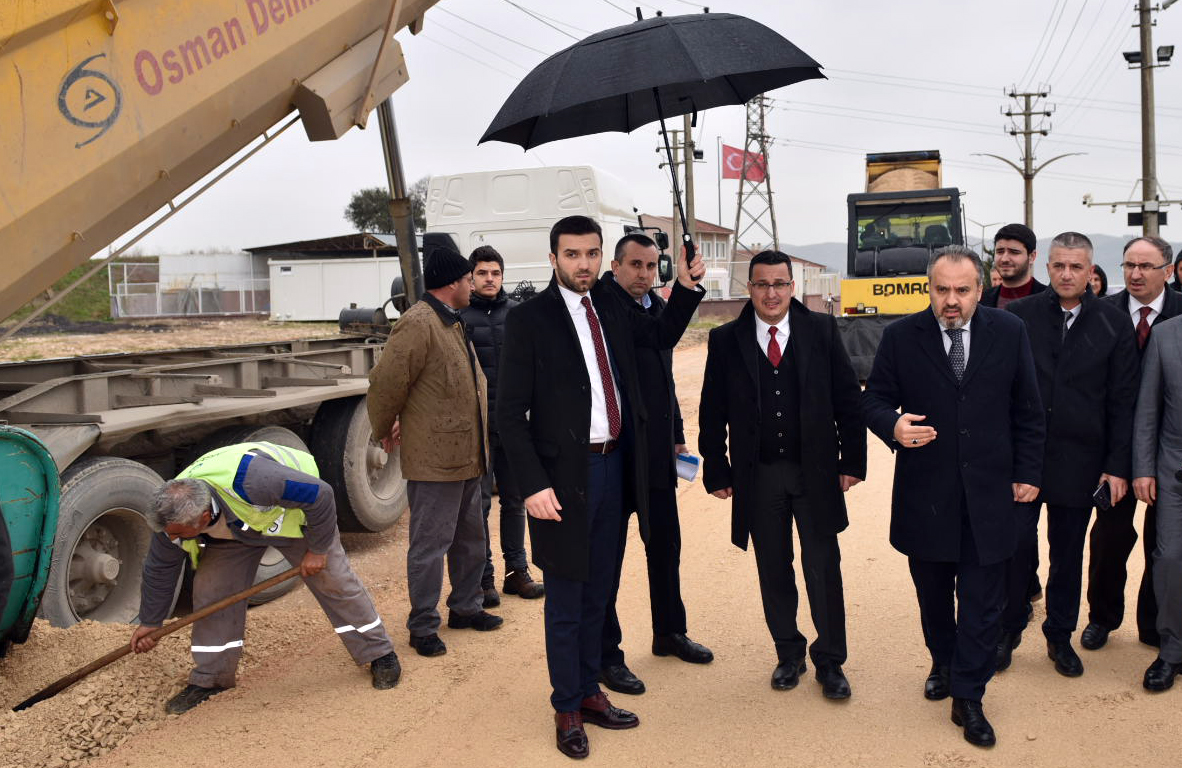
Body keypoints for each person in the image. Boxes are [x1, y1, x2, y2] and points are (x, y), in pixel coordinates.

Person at [496, 215, 704, 759]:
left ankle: (589, 690)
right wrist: (532, 486)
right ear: (553, 259)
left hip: (614, 468)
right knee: (567, 598)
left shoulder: (610, 307)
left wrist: (685, 287)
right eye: (572, 255)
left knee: (599, 592)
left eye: (591, 253)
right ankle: (567, 706)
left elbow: (659, 337)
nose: (583, 264)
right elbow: (508, 414)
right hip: (562, 480)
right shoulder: (529, 320)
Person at [863, 245, 1044, 748]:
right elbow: (874, 399)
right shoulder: (901, 337)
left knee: (983, 604)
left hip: (992, 495)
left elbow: (1029, 411)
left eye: (962, 290)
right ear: (929, 288)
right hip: (927, 496)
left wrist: (1029, 473)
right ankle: (943, 663)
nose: (951, 300)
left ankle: (969, 696)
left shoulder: (1010, 331)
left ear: (980, 290)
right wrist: (893, 425)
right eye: (941, 289)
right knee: (935, 599)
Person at [699, 250, 865, 699]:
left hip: (815, 472)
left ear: (792, 287)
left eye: (779, 284)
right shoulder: (726, 340)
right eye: (762, 284)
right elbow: (712, 411)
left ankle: (830, 660)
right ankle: (788, 653)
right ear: (749, 288)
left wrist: (852, 462)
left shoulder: (821, 330)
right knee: (773, 567)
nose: (771, 293)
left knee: (823, 567)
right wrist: (716, 467)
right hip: (760, 475)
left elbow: (848, 400)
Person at [130, 441, 401, 714]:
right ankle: (211, 678)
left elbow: (321, 494)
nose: (172, 538)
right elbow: (159, 569)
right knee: (212, 594)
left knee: (334, 581)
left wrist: (318, 550)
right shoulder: (170, 518)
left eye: (178, 533)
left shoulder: (255, 481)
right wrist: (151, 622)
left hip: (293, 521)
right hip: (234, 535)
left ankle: (379, 653)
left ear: (203, 517)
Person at [1003, 232, 1139, 679]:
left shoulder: (1114, 324)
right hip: (1023, 459)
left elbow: (1123, 401)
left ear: (1090, 271)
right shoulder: (1018, 317)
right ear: (1047, 267)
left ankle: (1059, 636)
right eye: (1059, 265)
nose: (1066, 274)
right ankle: (1007, 631)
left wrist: (1116, 466)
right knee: (1014, 547)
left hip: (1081, 462)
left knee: (1067, 554)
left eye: (1076, 267)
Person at [367, 247, 500, 660]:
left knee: (471, 539)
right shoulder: (419, 323)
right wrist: (382, 428)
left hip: (468, 454)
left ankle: (466, 607)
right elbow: (387, 384)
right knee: (430, 546)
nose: (473, 285)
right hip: (435, 459)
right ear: (452, 283)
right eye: (468, 279)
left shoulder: (452, 320)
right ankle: (423, 626)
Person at [597, 234, 713, 698]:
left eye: (650, 266)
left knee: (665, 544)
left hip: (656, 449)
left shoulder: (654, 305)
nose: (644, 274)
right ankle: (607, 654)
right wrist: (686, 287)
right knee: (607, 558)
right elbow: (659, 337)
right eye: (635, 265)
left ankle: (669, 632)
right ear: (615, 266)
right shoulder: (605, 305)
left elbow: (664, 377)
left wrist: (677, 432)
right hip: (616, 452)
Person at [1084, 236, 1182, 651]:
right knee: (1109, 536)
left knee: (1165, 543)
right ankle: (1102, 618)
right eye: (1129, 265)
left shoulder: (1180, 314)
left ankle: (1154, 622)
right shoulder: (1101, 314)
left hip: (1171, 452)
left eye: (1145, 266)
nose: (1135, 274)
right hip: (1115, 451)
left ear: (1168, 271)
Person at [458, 245, 544, 607]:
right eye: (482, 273)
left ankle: (516, 572)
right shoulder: (459, 318)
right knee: (479, 507)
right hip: (477, 430)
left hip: (513, 427)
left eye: (495, 273)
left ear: (503, 276)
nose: (489, 279)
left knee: (515, 501)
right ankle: (484, 578)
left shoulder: (518, 315)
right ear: (471, 278)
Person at [1132, 314, 1182, 690]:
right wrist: (1144, 469)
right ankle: (1172, 649)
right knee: (1169, 558)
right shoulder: (1165, 336)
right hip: (1174, 471)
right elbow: (1147, 412)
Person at [981, 223, 1045, 309]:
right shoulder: (980, 301)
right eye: (1000, 251)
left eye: (1014, 252)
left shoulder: (1052, 301)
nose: (1004, 259)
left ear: (1032, 257)